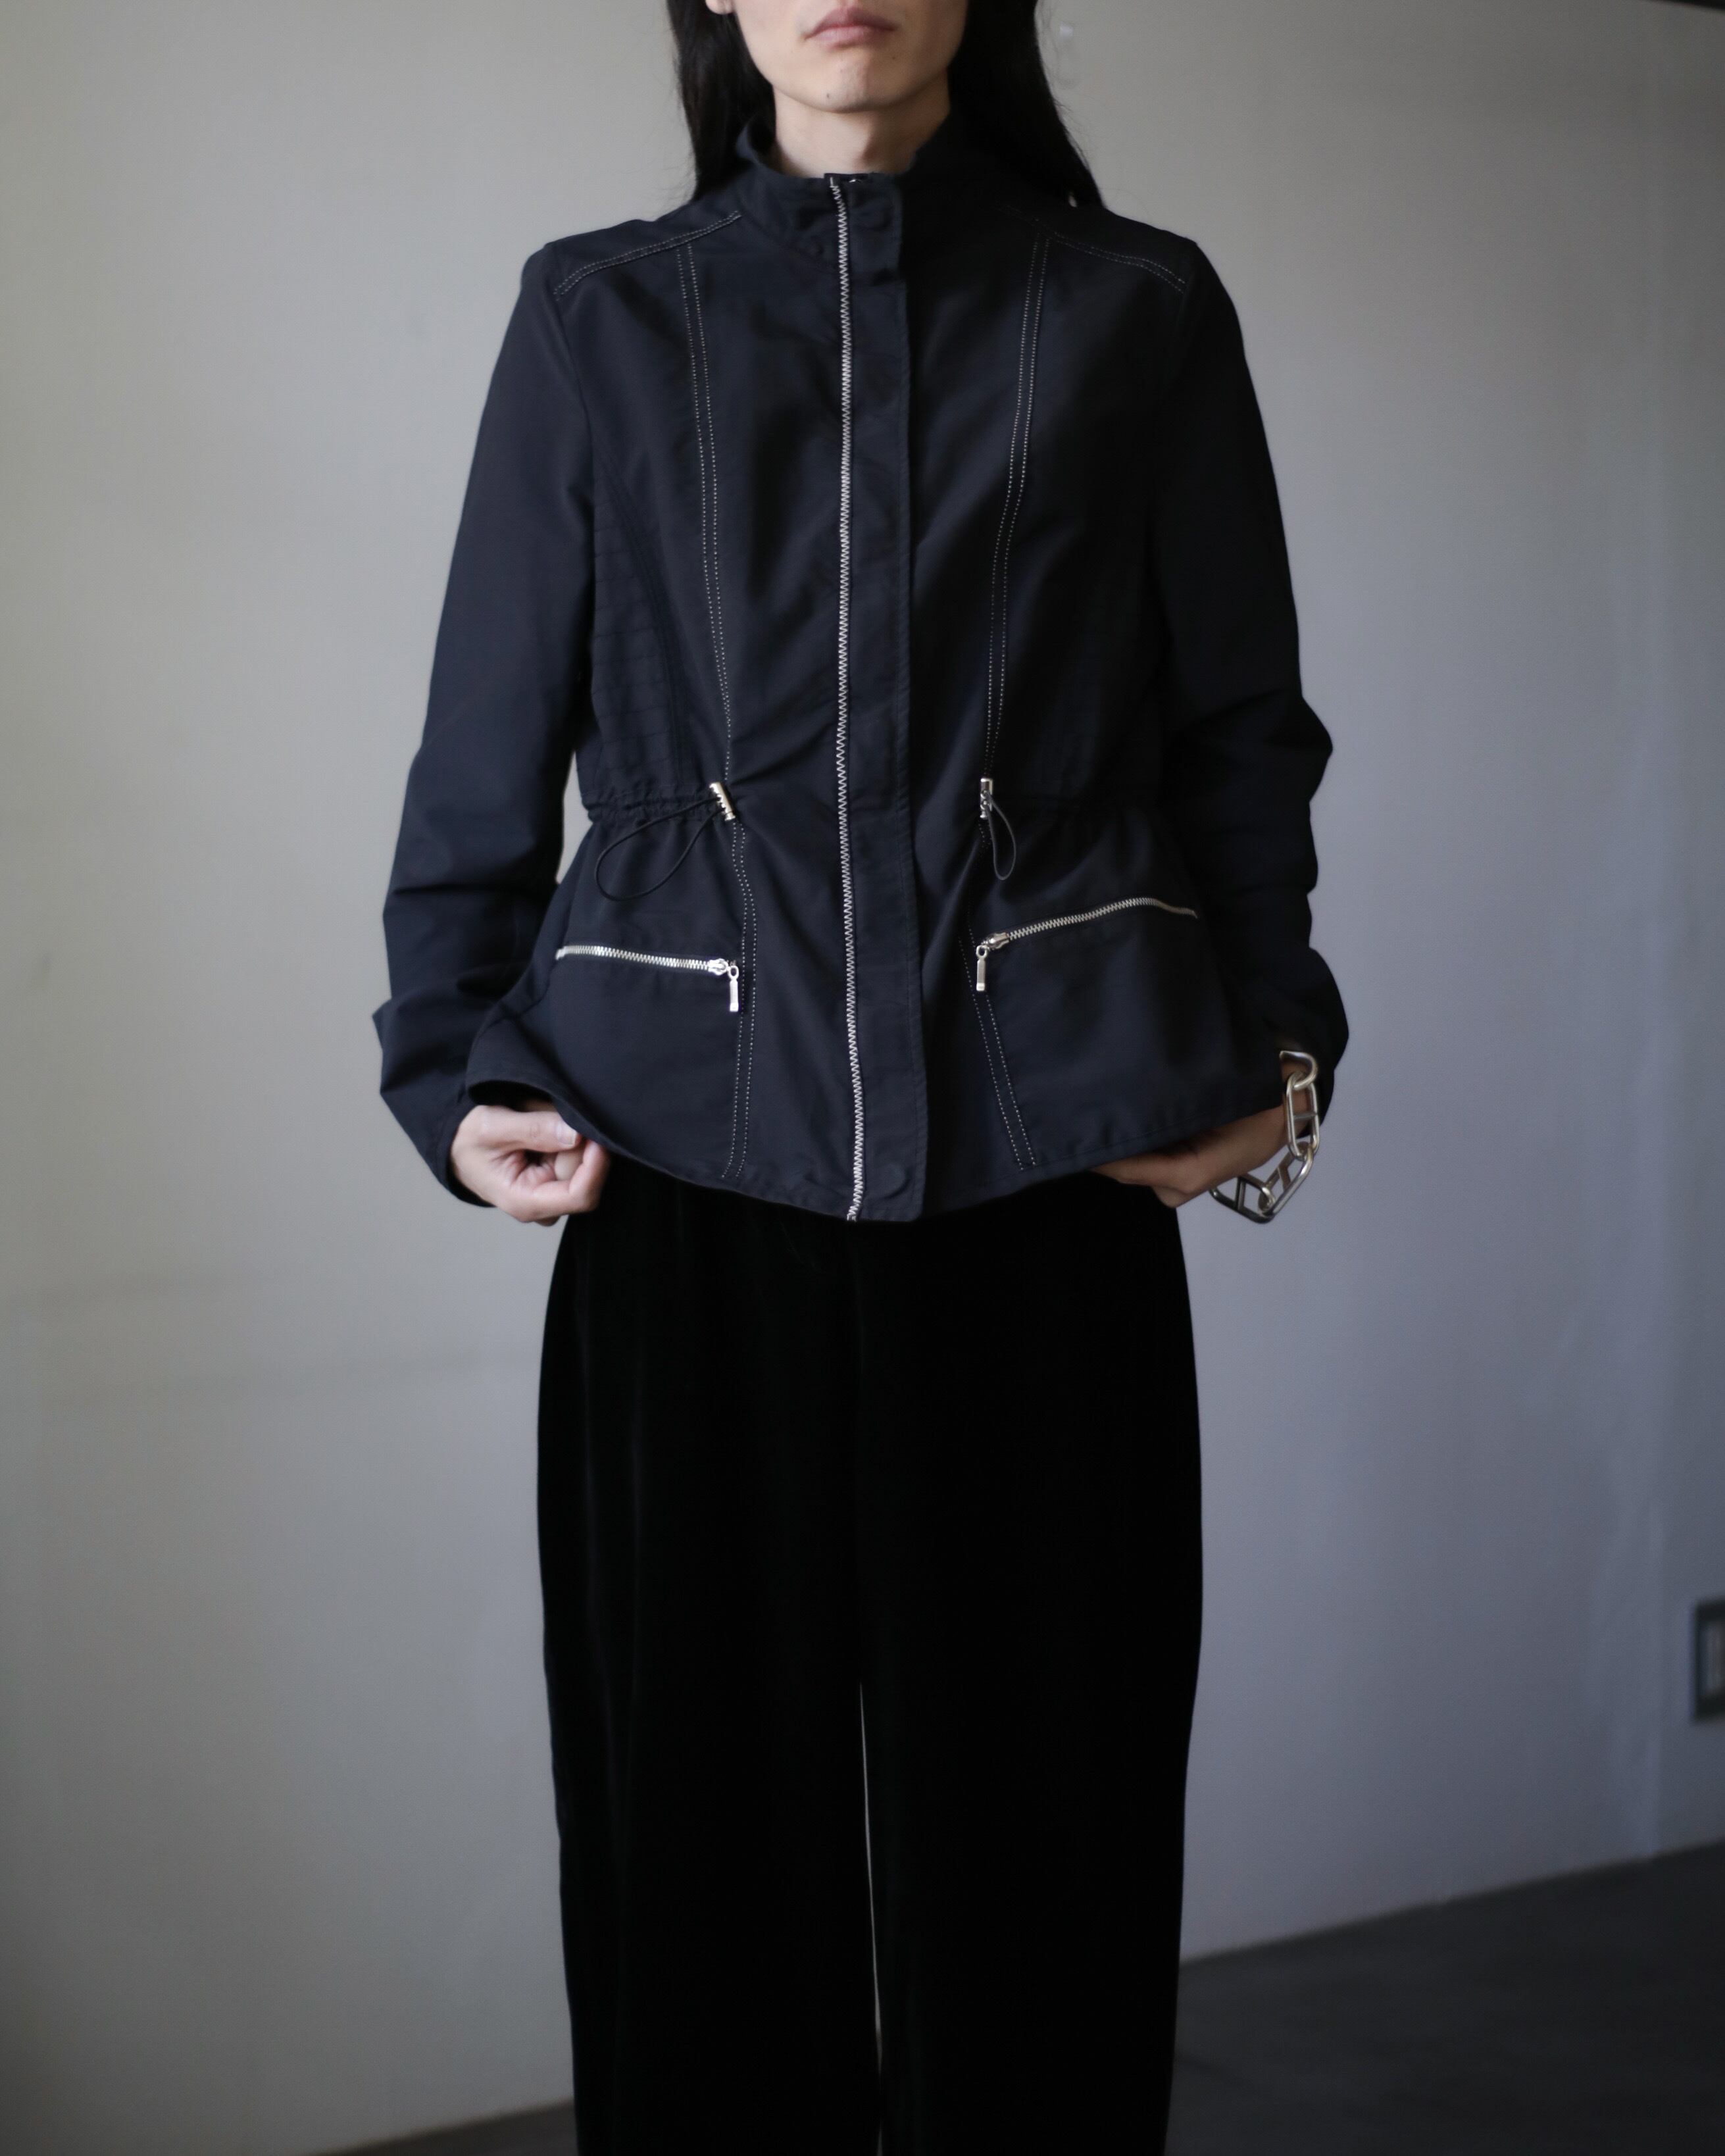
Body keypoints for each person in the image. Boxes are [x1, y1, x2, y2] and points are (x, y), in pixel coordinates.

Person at [374, 2, 1347, 2149]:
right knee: (696, 1900)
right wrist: (447, 1067)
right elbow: (482, 745)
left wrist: (1282, 1048)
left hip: (1046, 1191)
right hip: (682, 1205)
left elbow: (1240, 734)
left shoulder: (1137, 311)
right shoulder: (601, 319)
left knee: (1053, 1885)